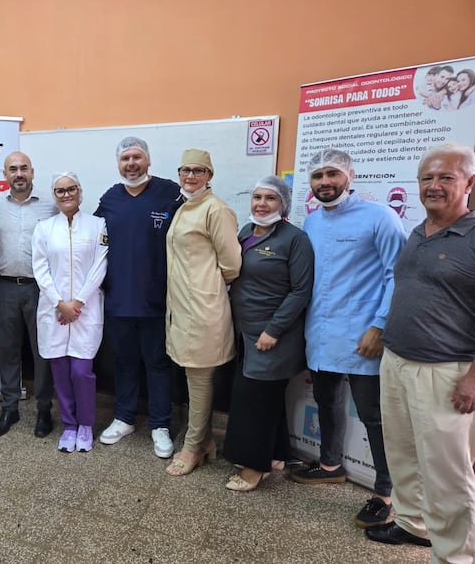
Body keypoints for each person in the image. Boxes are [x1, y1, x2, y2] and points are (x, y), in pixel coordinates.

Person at [366, 144, 475, 560]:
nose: (434, 186)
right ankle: (413, 525)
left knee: (448, 475)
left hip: (445, 372)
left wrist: (471, 379)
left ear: (469, 183)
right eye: (427, 178)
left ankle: (457, 556)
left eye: (446, 177)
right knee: (404, 455)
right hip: (396, 362)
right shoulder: (418, 230)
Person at [292, 148, 407, 529]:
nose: (325, 181)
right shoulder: (311, 222)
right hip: (322, 335)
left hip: (364, 336)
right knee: (327, 402)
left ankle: (386, 494)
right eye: (318, 175)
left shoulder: (381, 217)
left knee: (375, 418)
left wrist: (379, 326)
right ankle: (330, 464)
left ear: (350, 176)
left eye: (333, 174)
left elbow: (397, 276)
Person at [223, 176, 314, 491]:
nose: (261, 204)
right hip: (244, 333)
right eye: (257, 197)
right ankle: (276, 455)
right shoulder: (246, 232)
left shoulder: (294, 239)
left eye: (270, 198)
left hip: (273, 336)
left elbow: (301, 291)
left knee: (256, 402)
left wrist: (273, 330)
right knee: (267, 400)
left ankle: (254, 468)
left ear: (283, 204)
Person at [95, 137, 182, 459]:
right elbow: (93, 244)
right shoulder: (110, 199)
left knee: (158, 363)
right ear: (118, 163)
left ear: (148, 160)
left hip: (157, 301)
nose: (131, 163)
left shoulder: (170, 193)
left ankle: (160, 424)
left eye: (137, 157)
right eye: (125, 158)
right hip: (118, 299)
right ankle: (124, 417)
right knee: (124, 362)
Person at [164, 149, 241, 476]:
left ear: (209, 175)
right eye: (185, 170)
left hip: (203, 308)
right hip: (183, 307)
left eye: (198, 170)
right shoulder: (185, 207)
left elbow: (232, 265)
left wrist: (204, 288)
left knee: (199, 378)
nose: (190, 175)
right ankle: (206, 440)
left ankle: (193, 447)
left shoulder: (216, 209)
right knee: (193, 375)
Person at [32, 172, 108, 452]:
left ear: (80, 191)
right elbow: (40, 269)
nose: (66, 194)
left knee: (81, 371)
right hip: (54, 310)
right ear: (54, 195)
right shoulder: (44, 228)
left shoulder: (98, 225)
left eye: (71, 189)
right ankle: (69, 426)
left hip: (85, 311)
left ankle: (86, 424)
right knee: (60, 371)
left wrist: (77, 302)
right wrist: (59, 303)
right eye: (60, 190)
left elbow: (100, 265)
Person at [0, 152, 58, 439]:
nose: (19, 173)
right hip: (4, 286)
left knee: (42, 350)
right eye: (13, 169)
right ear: (5, 175)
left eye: (24, 168)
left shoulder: (51, 206)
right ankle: (10, 407)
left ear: (32, 171)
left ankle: (44, 409)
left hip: (40, 288)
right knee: (7, 349)